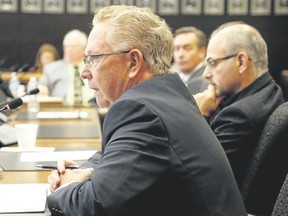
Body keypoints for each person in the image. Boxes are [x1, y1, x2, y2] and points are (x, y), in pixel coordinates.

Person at [46, 5, 247, 216]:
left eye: (94, 58)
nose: (84, 73)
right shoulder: (164, 96)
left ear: (133, 62)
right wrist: (81, 173)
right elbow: (112, 154)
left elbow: (96, 206)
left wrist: (65, 187)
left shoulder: (141, 111)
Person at [194, 21, 284, 186]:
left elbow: (196, 173)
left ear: (241, 62)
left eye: (212, 63)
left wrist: (198, 114)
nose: (205, 74)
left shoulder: (239, 116)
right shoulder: (270, 90)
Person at [38, 29, 94, 106]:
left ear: (84, 48)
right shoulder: (51, 68)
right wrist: (42, 90)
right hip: (61, 112)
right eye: (67, 46)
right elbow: (42, 87)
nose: (69, 50)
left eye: (73, 46)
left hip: (93, 111)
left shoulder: (94, 66)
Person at [172, 26, 209, 94]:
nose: (180, 54)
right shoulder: (171, 81)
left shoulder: (208, 80)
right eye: (176, 49)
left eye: (187, 48)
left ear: (202, 52)